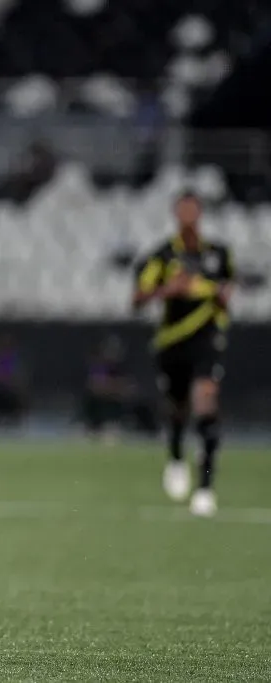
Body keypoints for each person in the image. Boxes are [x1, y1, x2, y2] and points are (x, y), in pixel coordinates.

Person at [132, 191, 234, 517]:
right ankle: (176, 457)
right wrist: (168, 290)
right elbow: (138, 298)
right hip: (173, 342)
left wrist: (219, 295)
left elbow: (227, 290)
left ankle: (205, 488)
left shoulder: (218, 254)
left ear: (200, 213)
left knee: (206, 403)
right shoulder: (162, 256)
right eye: (183, 210)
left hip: (206, 340)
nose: (188, 215)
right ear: (176, 214)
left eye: (193, 209)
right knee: (178, 409)